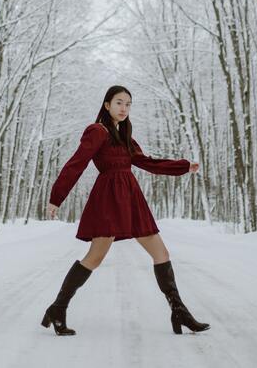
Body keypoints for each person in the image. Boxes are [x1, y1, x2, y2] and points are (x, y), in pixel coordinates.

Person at [41, 85, 210, 336]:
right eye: (119, 102)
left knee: (161, 252)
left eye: (128, 104)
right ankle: (58, 308)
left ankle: (179, 311)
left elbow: (146, 162)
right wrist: (57, 197)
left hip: (131, 198)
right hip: (108, 199)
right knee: (95, 257)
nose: (124, 108)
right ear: (107, 105)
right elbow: (77, 162)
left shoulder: (125, 135)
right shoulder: (97, 131)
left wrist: (183, 166)